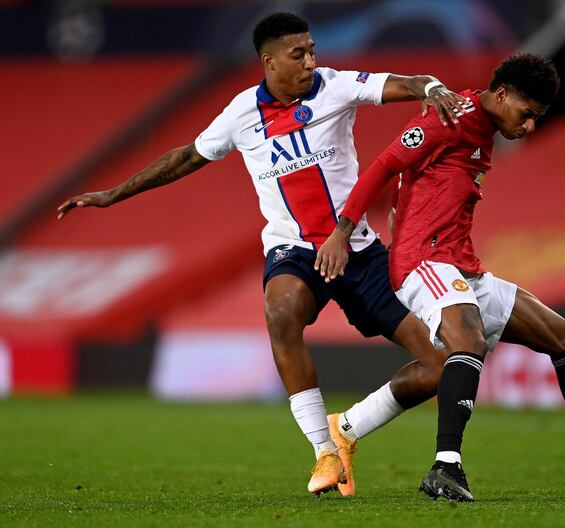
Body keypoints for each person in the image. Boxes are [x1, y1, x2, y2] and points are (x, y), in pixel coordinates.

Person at [57, 11, 468, 496]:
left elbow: (407, 82)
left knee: (441, 367)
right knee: (281, 311)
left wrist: (435, 88)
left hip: (357, 250)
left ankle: (349, 428)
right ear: (269, 61)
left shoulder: (337, 87)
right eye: (299, 54)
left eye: (313, 50)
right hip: (292, 250)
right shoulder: (240, 113)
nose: (311, 62)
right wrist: (113, 194)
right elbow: (186, 156)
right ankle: (324, 452)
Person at [316, 53, 565, 501]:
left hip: (462, 265)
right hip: (422, 262)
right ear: (502, 94)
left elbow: (425, 181)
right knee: (467, 341)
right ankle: (445, 468)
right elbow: (384, 165)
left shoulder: (483, 129)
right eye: (527, 113)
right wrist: (342, 231)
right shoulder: (450, 115)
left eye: (536, 119)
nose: (529, 126)